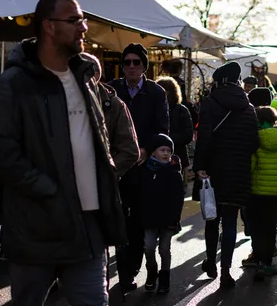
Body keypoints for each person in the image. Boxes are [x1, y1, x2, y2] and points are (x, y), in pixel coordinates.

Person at [0, 0, 155, 306]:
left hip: (87, 224)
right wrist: (47, 189)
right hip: (37, 225)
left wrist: (102, 182)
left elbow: (107, 144)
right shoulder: (14, 85)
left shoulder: (86, 82)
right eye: (76, 20)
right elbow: (0, 151)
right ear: (48, 26)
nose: (84, 28)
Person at [109, 43, 170, 292]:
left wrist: (145, 150)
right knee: (115, 217)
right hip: (115, 165)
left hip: (142, 166)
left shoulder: (156, 92)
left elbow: (163, 128)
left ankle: (129, 270)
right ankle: (121, 269)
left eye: (136, 62)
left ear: (144, 65)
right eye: (127, 62)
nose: (131, 66)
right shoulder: (111, 89)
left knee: (137, 220)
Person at [194, 61, 259, 289]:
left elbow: (204, 136)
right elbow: (254, 142)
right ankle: (225, 273)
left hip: (213, 169)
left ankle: (211, 262)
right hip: (238, 170)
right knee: (230, 221)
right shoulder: (248, 107)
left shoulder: (210, 103)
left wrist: (200, 165)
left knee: (212, 218)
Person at [134, 134, 185, 293]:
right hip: (149, 218)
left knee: (164, 249)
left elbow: (178, 198)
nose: (166, 153)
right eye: (162, 149)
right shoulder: (145, 171)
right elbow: (139, 195)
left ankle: (164, 279)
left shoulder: (174, 172)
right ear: (153, 152)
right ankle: (151, 272)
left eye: (169, 151)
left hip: (168, 220)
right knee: (149, 247)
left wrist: (175, 218)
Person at [248, 106, 277, 279]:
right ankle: (268, 263)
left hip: (257, 194)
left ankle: (259, 262)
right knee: (270, 228)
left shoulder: (255, 144)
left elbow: (251, 168)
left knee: (257, 229)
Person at [156, 76, 194, 169]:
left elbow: (188, 134)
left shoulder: (181, 110)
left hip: (176, 156)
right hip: (156, 157)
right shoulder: (153, 109)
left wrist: (167, 140)